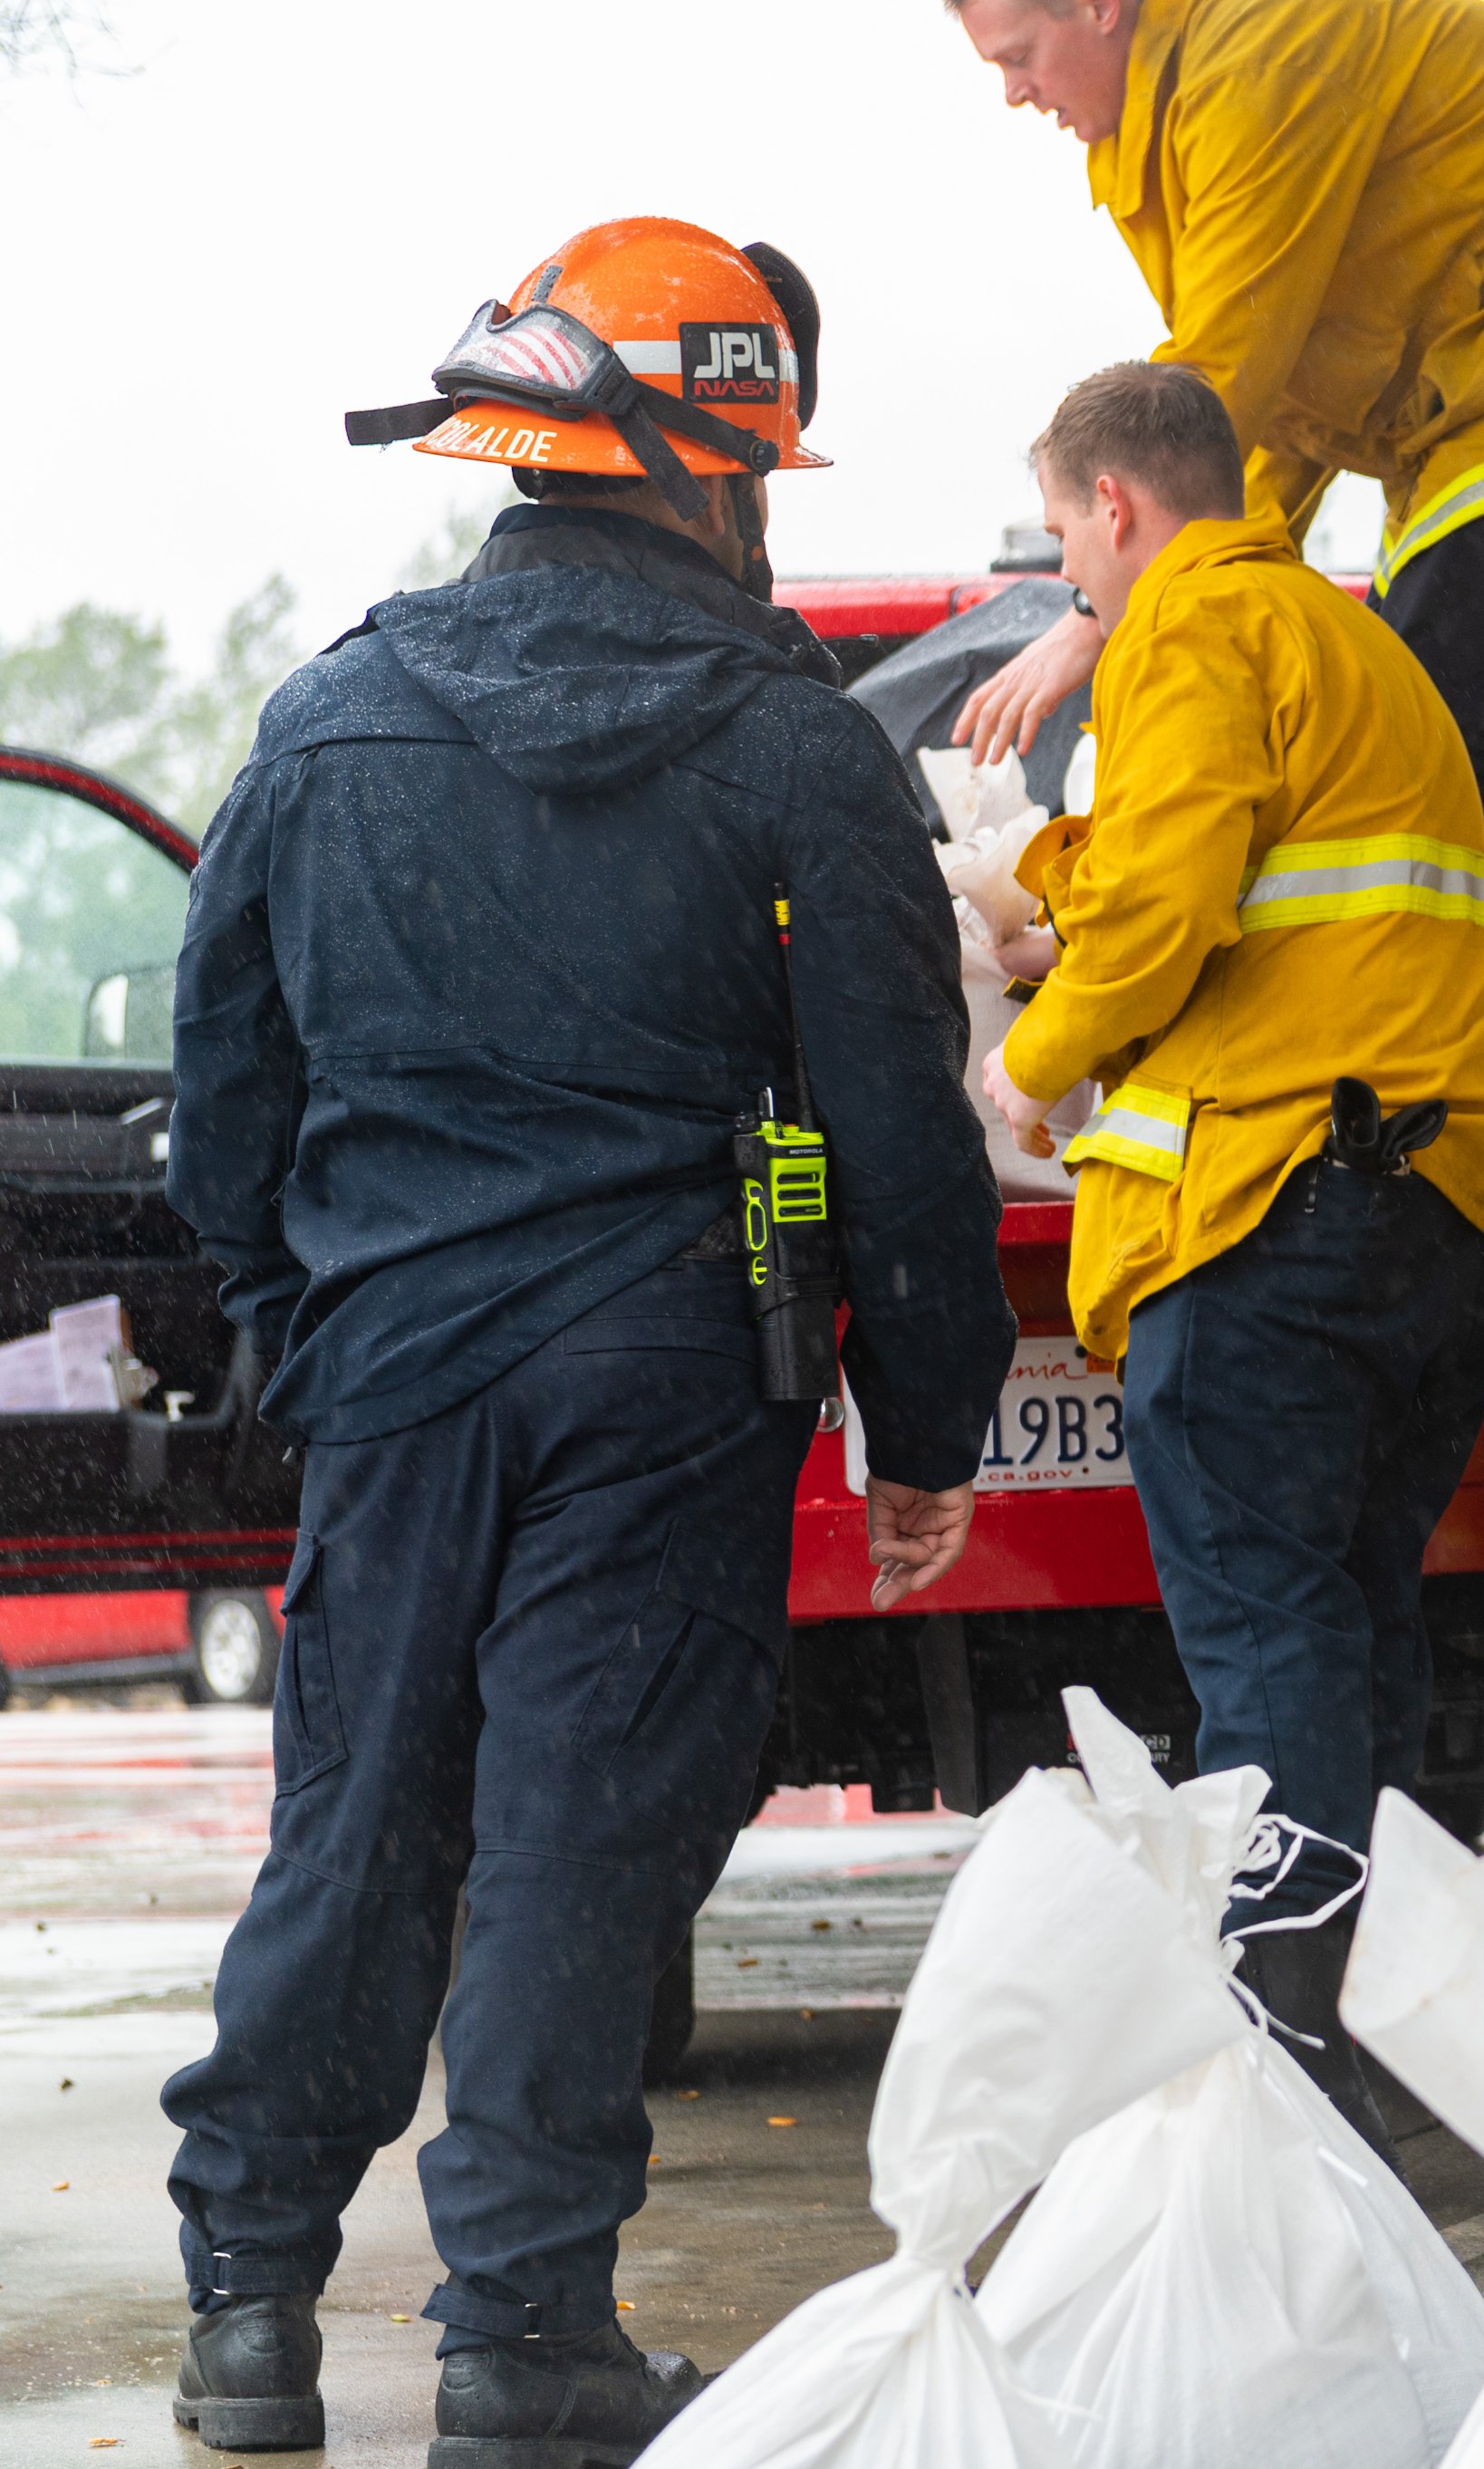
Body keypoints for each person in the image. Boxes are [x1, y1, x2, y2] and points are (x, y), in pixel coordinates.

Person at [160, 218, 1013, 2459]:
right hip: (660, 1385)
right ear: (722, 471)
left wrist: (308, 1330)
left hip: (397, 1373)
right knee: (569, 1849)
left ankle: (249, 2307)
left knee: (352, 1829)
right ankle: (522, 2339)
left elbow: (225, 1106)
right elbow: (887, 1140)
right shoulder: (794, 753)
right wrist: (920, 1414)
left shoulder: (326, 719)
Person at [978, 362, 1484, 2151]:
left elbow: (1167, 907)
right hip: (1436, 1213)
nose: (1069, 573)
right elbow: (1261, 872)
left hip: (1278, 1215)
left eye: (1065, 530)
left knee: (1275, 1644)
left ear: (1119, 507)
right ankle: (1366, 2026)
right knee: (1358, 1628)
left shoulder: (1187, 631)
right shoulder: (1346, 640)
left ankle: (1283, 2064)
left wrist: (1022, 1060)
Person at [945, 0, 1484, 907]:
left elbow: (1220, 385)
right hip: (1472, 383)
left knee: (1436, 696)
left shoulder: (1257, 63)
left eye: (1020, 56)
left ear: (1101, 9)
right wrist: (1190, 588)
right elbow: (1264, 405)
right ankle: (1414, 997)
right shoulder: (1173, 107)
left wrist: (1099, 611)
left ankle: (1429, 1009)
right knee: (1388, 700)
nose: (1014, 94)